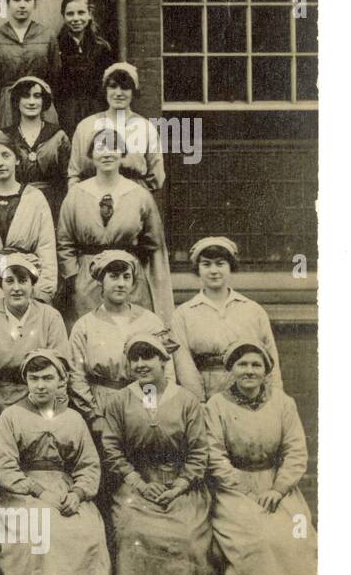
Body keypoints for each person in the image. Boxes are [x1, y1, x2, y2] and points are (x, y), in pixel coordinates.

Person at [99, 333, 212, 575]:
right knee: (133, 534)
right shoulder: (120, 401)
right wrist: (137, 482)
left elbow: (199, 452)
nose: (141, 364)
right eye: (135, 358)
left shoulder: (186, 400)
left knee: (187, 538)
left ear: (164, 361)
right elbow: (112, 449)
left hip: (181, 487)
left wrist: (178, 486)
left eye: (149, 357)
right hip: (137, 486)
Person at [204, 341, 315, 575]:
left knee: (297, 538)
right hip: (235, 491)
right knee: (259, 542)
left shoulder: (283, 403)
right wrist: (245, 489)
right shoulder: (216, 405)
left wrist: (278, 489)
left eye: (255, 365)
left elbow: (296, 451)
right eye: (242, 365)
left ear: (266, 370)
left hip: (278, 489)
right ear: (232, 370)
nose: (249, 371)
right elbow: (215, 456)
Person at [0, 349, 110, 575]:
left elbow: (88, 465)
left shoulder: (73, 419)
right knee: (39, 529)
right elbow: (5, 468)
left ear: (61, 381)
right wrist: (38, 491)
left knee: (82, 528)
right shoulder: (11, 416)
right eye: (34, 378)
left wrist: (78, 493)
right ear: (26, 381)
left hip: (64, 488)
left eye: (48, 378)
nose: (41, 384)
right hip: (22, 491)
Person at [69, 252, 198, 439]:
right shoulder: (85, 325)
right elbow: (76, 375)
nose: (121, 283)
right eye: (113, 277)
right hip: (102, 405)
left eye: (126, 277)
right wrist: (93, 415)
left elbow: (166, 369)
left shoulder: (150, 321)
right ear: (100, 282)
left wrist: (153, 407)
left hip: (142, 403)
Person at [0, 255, 68, 474]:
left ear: (33, 284)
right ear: (0, 284)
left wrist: (55, 411)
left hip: (39, 399)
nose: (17, 288)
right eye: (9, 281)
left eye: (23, 280)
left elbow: (60, 368)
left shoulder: (50, 317)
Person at [57, 136, 174, 325]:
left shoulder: (140, 195)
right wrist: (74, 278)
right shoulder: (76, 195)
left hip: (128, 278)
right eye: (100, 148)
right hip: (88, 280)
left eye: (113, 147)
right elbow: (64, 242)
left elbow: (154, 243)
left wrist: (134, 267)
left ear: (122, 154)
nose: (107, 154)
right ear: (91, 155)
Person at [174, 236, 283, 401]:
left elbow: (270, 358)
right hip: (206, 395)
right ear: (198, 268)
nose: (213, 271)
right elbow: (184, 364)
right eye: (206, 264)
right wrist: (199, 402)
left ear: (231, 266)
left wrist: (274, 399)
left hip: (249, 395)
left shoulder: (253, 310)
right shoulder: (183, 314)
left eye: (220, 263)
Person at [0, 134, 58, 310]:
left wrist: (44, 288)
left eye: (6, 155)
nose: (0, 162)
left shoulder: (35, 198)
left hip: (23, 279)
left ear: (16, 160)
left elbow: (46, 246)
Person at [68, 63, 164, 191]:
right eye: (113, 86)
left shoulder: (146, 128)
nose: (118, 93)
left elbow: (156, 179)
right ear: (105, 90)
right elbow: (74, 175)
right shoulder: (86, 126)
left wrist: (129, 195)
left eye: (125, 87)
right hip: (92, 200)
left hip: (131, 202)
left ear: (133, 91)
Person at [0, 0, 60, 130]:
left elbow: (55, 75)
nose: (22, 5)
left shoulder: (47, 35)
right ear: (8, 2)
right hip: (7, 106)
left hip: (39, 102)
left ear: (34, 2)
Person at [5, 76, 70, 216]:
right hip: (16, 204)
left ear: (44, 101)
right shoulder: (7, 136)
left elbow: (67, 177)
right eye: (26, 96)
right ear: (17, 101)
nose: (31, 102)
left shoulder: (58, 136)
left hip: (52, 204)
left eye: (37, 96)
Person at [53, 0, 115, 137]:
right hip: (68, 112)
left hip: (97, 109)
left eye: (81, 13)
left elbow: (108, 85)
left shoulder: (102, 48)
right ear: (63, 16)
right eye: (70, 14)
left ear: (89, 14)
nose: (76, 19)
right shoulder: (56, 47)